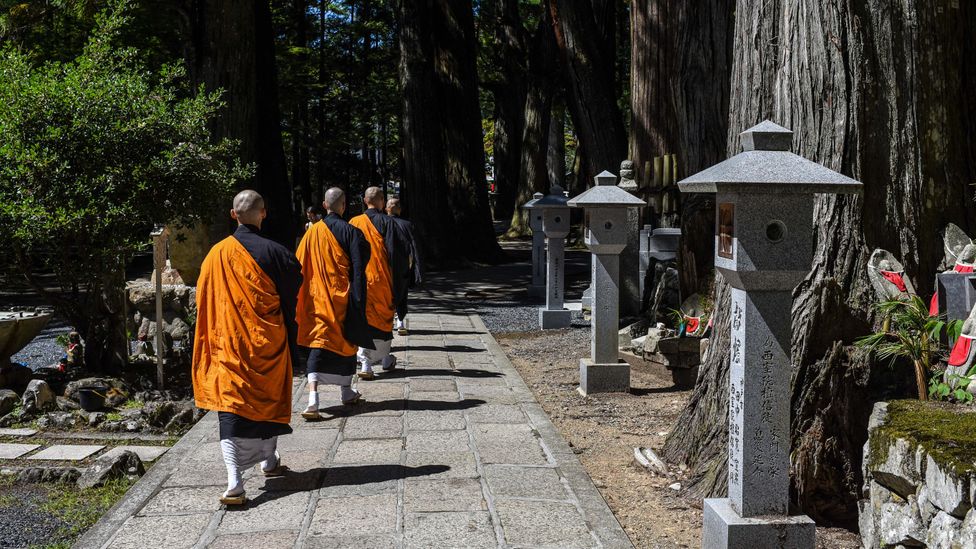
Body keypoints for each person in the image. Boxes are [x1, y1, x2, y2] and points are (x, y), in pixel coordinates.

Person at [192, 190, 302, 505]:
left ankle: (235, 481)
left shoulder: (214, 255)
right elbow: (294, 293)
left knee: (229, 410)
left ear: (232, 214)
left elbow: (203, 300)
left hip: (226, 346)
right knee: (270, 401)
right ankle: (269, 462)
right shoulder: (276, 252)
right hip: (266, 343)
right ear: (263, 213)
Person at [296, 187, 374, 419]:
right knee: (347, 341)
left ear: (324, 204)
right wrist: (359, 298)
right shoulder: (351, 231)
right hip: (342, 298)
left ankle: (314, 399)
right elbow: (360, 265)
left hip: (316, 299)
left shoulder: (311, 233)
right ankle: (345, 391)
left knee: (318, 343)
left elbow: (299, 263)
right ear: (343, 206)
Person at [349, 186, 408, 379]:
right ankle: (377, 359)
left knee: (363, 320)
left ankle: (366, 360)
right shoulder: (387, 222)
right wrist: (400, 282)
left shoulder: (354, 222)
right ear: (382, 202)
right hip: (382, 281)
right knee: (382, 321)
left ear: (365, 201)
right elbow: (396, 256)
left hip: (360, 281)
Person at [385, 197, 423, 335]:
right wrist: (417, 269)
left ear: (386, 209)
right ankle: (400, 321)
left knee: (386, 296)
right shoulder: (407, 224)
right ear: (399, 209)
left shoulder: (381, 223)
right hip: (402, 266)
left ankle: (387, 323)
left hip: (384, 266)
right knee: (402, 295)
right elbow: (415, 247)